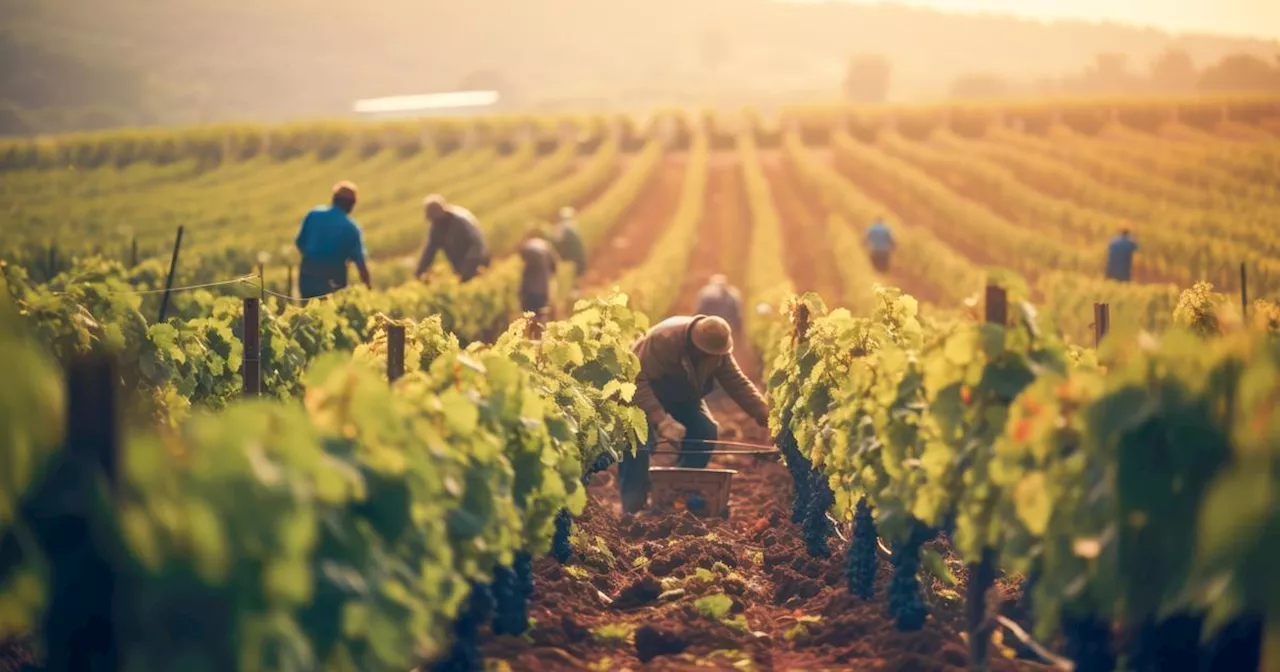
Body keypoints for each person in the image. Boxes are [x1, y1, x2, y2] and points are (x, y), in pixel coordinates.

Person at [618, 315, 770, 514]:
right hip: (642, 396)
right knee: (637, 442)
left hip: (684, 396)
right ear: (694, 344)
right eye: (706, 353)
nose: (711, 357)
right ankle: (633, 507)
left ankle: (675, 493)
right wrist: (662, 420)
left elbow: (737, 382)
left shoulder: (719, 351)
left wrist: (764, 413)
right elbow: (635, 380)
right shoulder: (663, 340)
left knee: (705, 429)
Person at [295, 181, 372, 300]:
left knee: (307, 313)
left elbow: (300, 242)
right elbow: (360, 264)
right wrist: (368, 289)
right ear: (351, 204)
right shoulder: (351, 227)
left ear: (334, 199)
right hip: (333, 281)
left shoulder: (313, 214)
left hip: (307, 276)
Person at [414, 194, 491, 282]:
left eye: (434, 219)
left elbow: (477, 244)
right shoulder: (436, 228)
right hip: (460, 268)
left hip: (479, 264)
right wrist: (419, 271)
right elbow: (429, 252)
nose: (433, 222)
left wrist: (469, 268)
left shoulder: (461, 221)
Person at [518, 233, 558, 317]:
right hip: (540, 289)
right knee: (539, 310)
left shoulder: (529, 244)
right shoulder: (546, 245)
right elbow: (554, 266)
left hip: (528, 288)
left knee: (528, 311)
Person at [550, 206, 587, 283]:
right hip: (577, 260)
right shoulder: (573, 227)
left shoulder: (564, 229)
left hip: (572, 260)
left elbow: (559, 244)